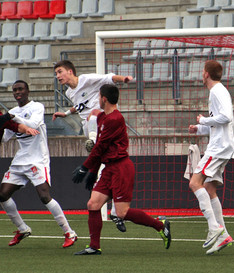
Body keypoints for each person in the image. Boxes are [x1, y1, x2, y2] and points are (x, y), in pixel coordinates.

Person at [72, 84, 171, 255]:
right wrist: (94, 172)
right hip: (109, 168)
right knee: (93, 204)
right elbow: (100, 148)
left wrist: (85, 167)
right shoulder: (103, 117)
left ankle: (161, 226)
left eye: (99, 97)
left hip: (121, 168)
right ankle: (94, 247)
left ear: (104, 98)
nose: (98, 100)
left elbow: (100, 146)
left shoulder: (115, 119)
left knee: (122, 212)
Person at [53, 60, 132, 232]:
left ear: (70, 71)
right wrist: (66, 113)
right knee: (105, 166)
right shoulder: (69, 91)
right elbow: (81, 105)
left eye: (60, 72)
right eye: (56, 73)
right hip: (88, 128)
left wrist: (123, 78)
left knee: (95, 116)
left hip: (102, 124)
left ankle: (114, 210)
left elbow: (108, 77)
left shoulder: (87, 79)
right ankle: (114, 211)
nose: (57, 76)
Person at [0, 80, 78, 248]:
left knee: (44, 196)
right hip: (20, 160)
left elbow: (33, 124)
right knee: (2, 195)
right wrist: (2, 125)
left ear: (28, 91)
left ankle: (69, 232)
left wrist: (12, 117)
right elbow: (5, 137)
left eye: (21, 89)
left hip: (37, 159)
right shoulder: (11, 112)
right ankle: (22, 229)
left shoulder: (37, 107)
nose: (17, 92)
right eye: (15, 90)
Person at [188, 60, 234, 255]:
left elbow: (226, 117)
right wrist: (199, 127)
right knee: (209, 188)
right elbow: (218, 121)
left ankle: (214, 228)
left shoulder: (217, 91)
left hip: (219, 147)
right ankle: (223, 235)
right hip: (222, 145)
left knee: (194, 183)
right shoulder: (217, 91)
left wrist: (204, 119)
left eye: (202, 71)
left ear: (206, 73)